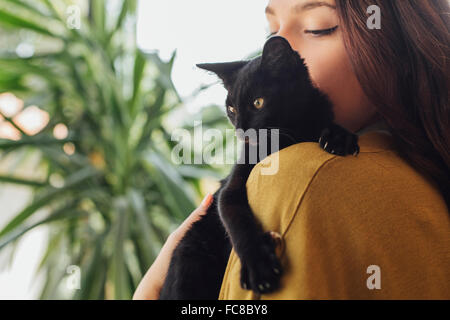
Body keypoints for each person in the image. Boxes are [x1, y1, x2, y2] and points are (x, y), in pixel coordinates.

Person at [134, 0, 450, 300]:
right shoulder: (426, 182)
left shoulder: (302, 175)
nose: (282, 46)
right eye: (271, 31)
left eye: (318, 27)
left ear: (398, 36)